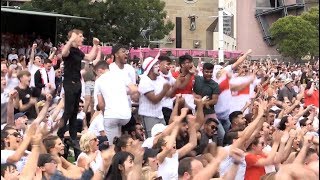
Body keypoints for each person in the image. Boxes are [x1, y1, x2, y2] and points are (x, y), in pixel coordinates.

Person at [57, 29, 100, 157]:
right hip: (69, 82)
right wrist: (70, 40)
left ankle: (73, 136)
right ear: (74, 37)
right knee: (68, 110)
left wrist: (96, 46)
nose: (82, 38)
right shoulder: (69, 48)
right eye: (80, 36)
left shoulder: (78, 51)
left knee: (75, 111)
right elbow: (63, 53)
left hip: (77, 82)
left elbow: (89, 57)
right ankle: (59, 134)